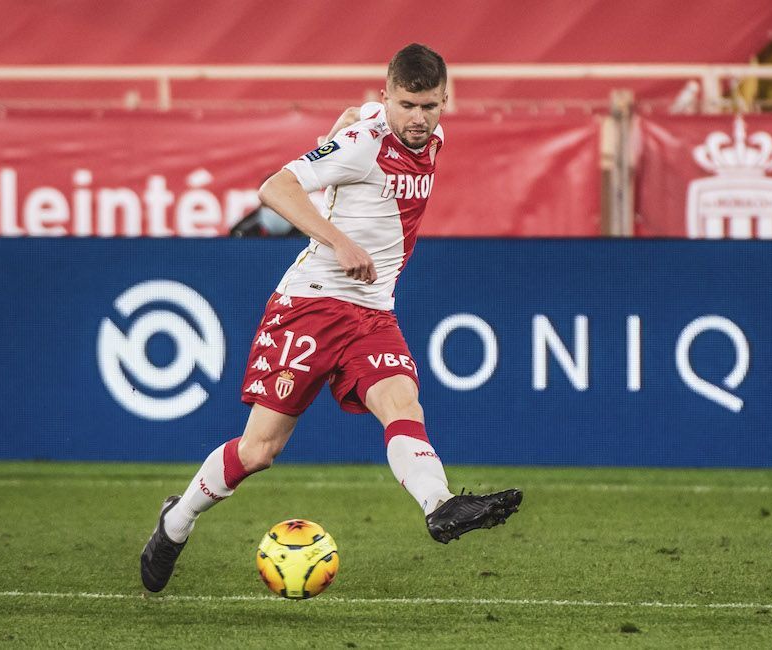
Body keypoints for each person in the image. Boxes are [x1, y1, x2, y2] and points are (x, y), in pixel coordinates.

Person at [141, 43, 523, 593]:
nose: (418, 119)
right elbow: (275, 188)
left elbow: (356, 116)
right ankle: (176, 522)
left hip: (372, 312)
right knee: (260, 450)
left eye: (430, 107)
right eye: (408, 105)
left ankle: (440, 506)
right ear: (389, 95)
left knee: (401, 401)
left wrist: (344, 122)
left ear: (445, 101)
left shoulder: (408, 129)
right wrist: (338, 240)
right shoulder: (364, 144)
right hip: (311, 304)